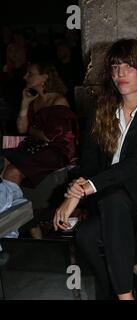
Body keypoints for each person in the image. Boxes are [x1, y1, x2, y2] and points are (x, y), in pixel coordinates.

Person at [53, 38, 137, 300]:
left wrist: (80, 192)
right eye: (115, 67)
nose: (120, 74)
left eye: (129, 66)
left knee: (113, 198)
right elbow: (88, 163)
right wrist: (74, 191)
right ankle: (122, 287)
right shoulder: (102, 109)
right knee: (87, 236)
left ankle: (124, 297)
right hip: (110, 200)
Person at [1, 61, 77, 239]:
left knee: (12, 171)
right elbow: (22, 129)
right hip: (34, 148)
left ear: (44, 77)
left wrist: (32, 131)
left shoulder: (58, 100)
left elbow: (49, 136)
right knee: (3, 162)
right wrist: (25, 104)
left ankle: (7, 226)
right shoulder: (36, 101)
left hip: (56, 152)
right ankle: (29, 230)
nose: (26, 77)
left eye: (30, 73)